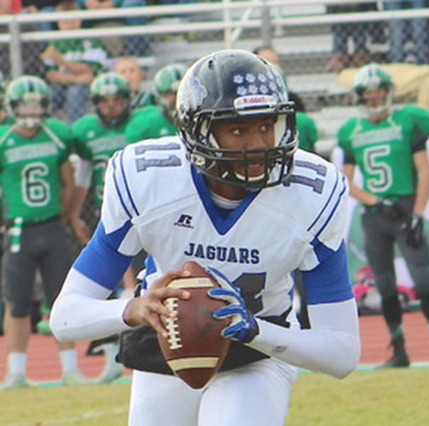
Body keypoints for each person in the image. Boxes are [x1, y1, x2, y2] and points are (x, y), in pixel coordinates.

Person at [50, 49, 360, 425]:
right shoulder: (148, 180)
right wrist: (134, 309)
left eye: (267, 125)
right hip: (169, 344)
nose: (259, 144)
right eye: (239, 129)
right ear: (199, 132)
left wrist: (254, 329)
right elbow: (65, 316)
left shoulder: (313, 193)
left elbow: (342, 353)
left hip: (257, 353)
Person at [337, 63, 429, 367]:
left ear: (389, 94)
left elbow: (424, 171)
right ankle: (399, 351)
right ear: (360, 98)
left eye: (380, 95)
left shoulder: (408, 120)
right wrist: (375, 200)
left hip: (406, 209)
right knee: (386, 285)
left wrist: (418, 213)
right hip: (376, 215)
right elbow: (346, 180)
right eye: (369, 97)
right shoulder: (351, 132)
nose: (375, 101)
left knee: (423, 281)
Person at [0, 75, 86, 390]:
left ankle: (70, 369)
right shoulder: (4, 138)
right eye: (26, 105)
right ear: (12, 106)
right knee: (17, 302)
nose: (32, 111)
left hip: (51, 228)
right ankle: (17, 373)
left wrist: (63, 215)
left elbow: (68, 181)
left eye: (36, 105)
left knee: (61, 299)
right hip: (19, 229)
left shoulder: (58, 134)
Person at [70, 72, 144, 383]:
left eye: (117, 100)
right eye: (105, 101)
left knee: (139, 285)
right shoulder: (84, 131)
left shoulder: (141, 125)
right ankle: (114, 356)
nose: (112, 107)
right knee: (108, 290)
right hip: (106, 215)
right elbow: (83, 177)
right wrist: (75, 213)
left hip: (141, 214)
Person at [41, 0, 108, 124]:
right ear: (58, 23)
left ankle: (75, 130)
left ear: (79, 20)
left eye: (72, 21)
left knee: (75, 92)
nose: (69, 25)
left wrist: (61, 61)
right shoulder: (53, 42)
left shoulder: (90, 40)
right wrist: (76, 77)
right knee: (48, 93)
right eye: (65, 22)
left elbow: (90, 71)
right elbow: (51, 75)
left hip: (87, 87)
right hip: (62, 85)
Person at [125, 63, 186, 143]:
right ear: (159, 95)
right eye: (170, 94)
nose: (177, 98)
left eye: (182, 92)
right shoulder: (145, 122)